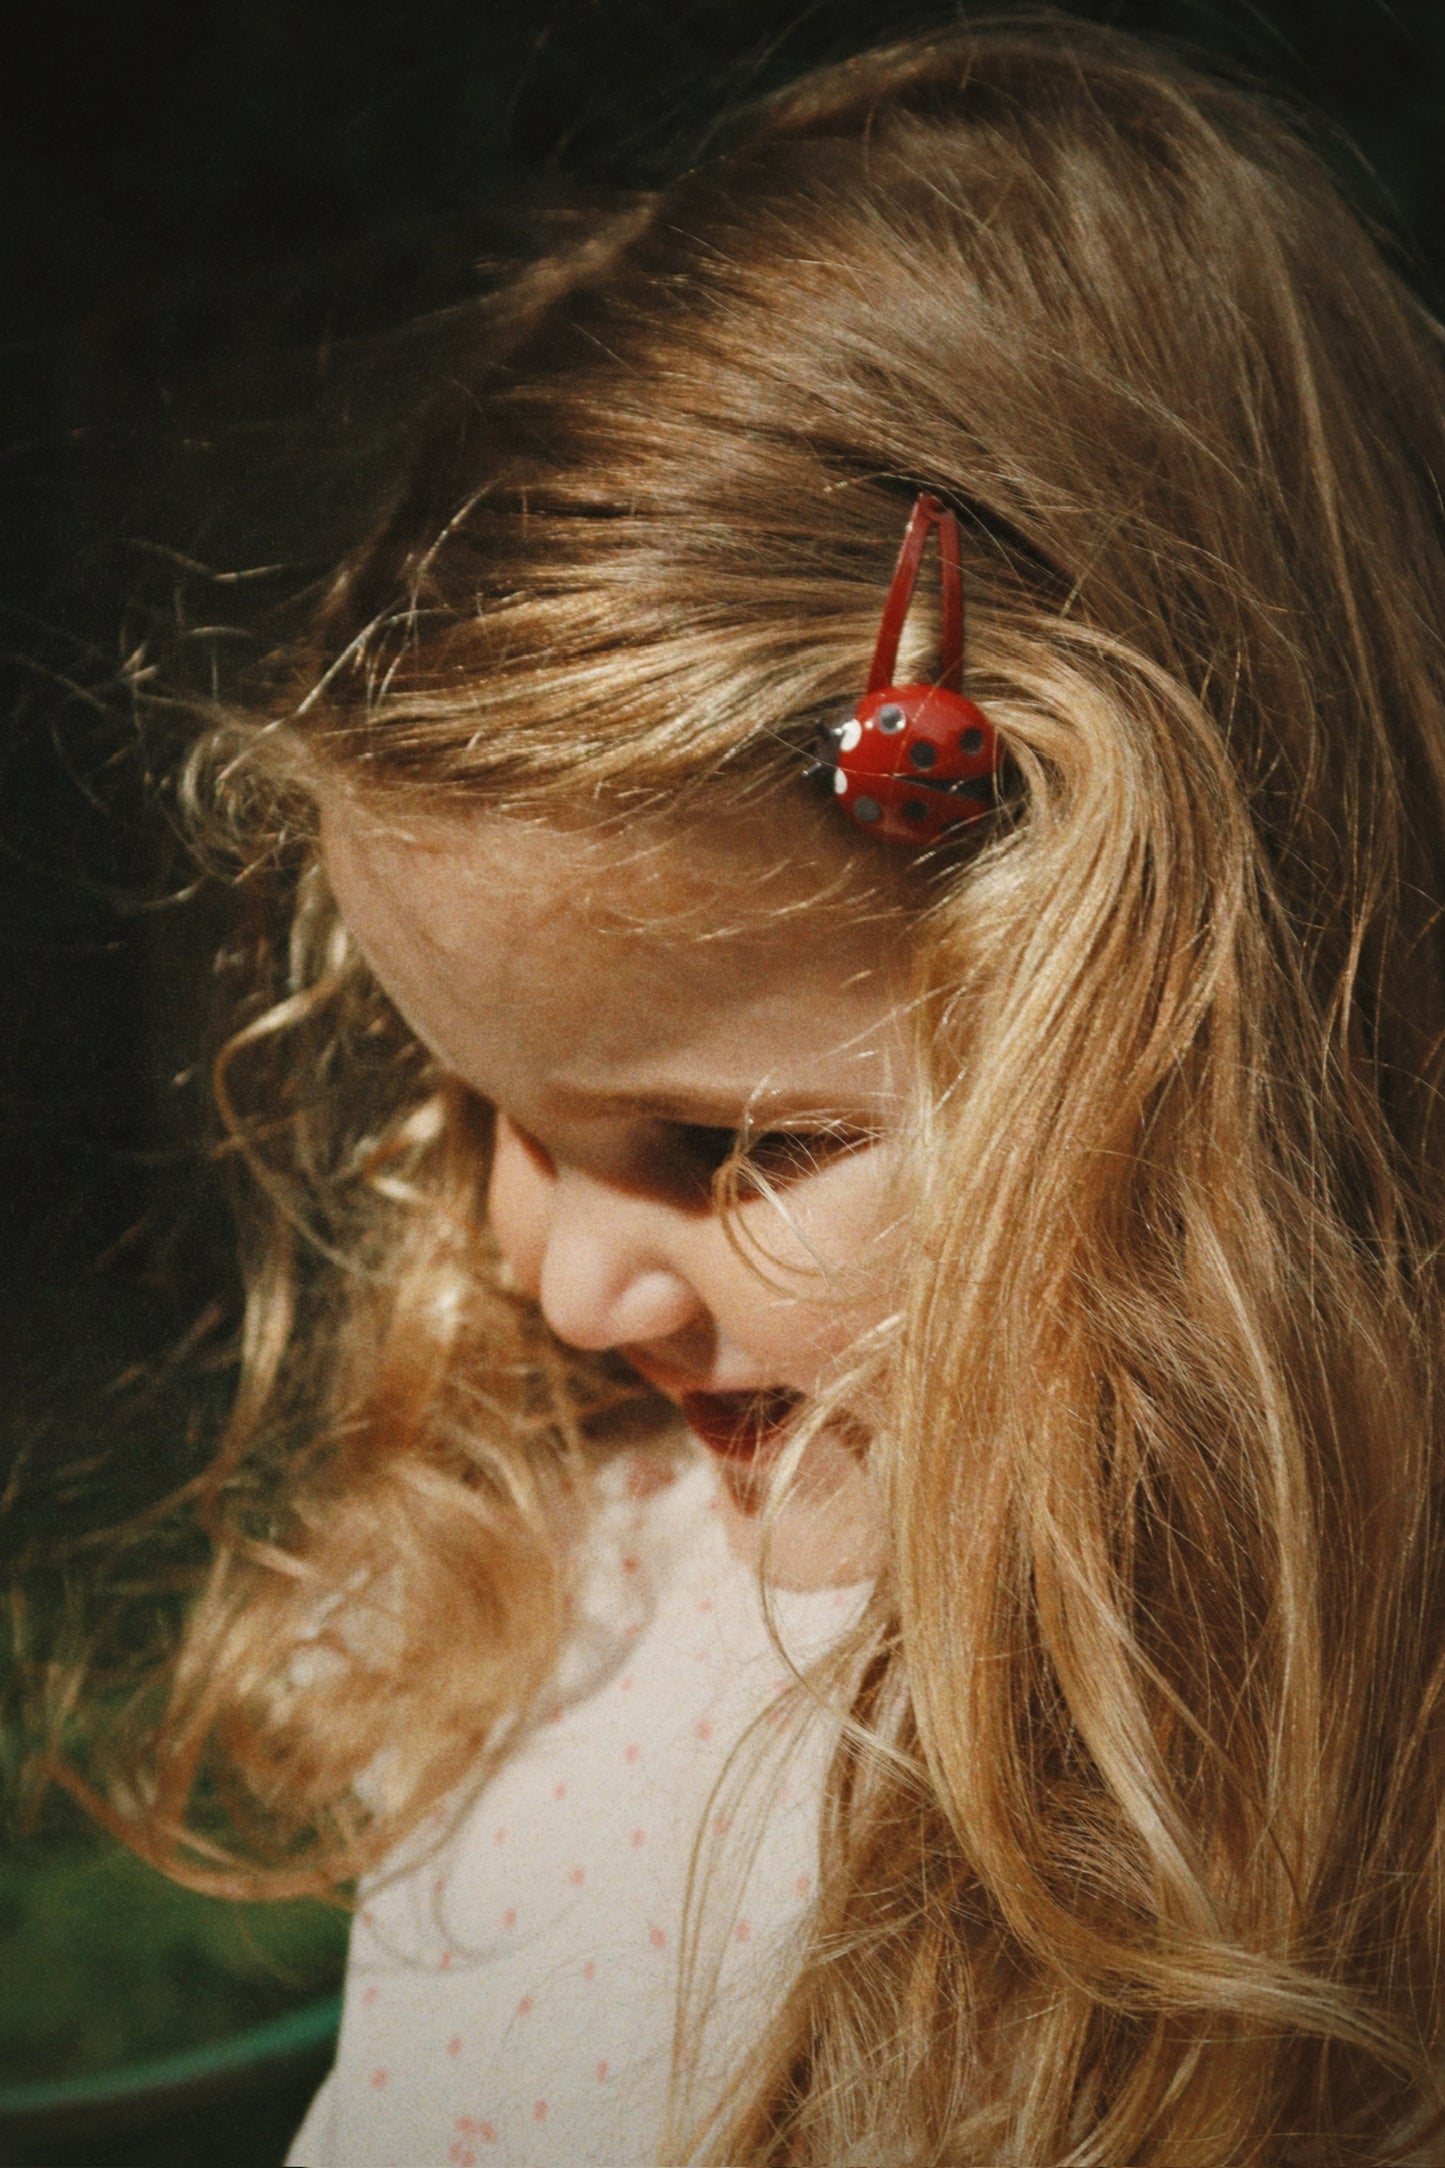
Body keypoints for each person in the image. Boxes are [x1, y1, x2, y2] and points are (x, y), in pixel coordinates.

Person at [104, 18, 1445, 2163]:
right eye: (481, 1119)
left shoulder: (1321, 1767)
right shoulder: (570, 1586)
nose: (554, 1281)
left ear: (1188, 1039)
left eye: (733, 1148)